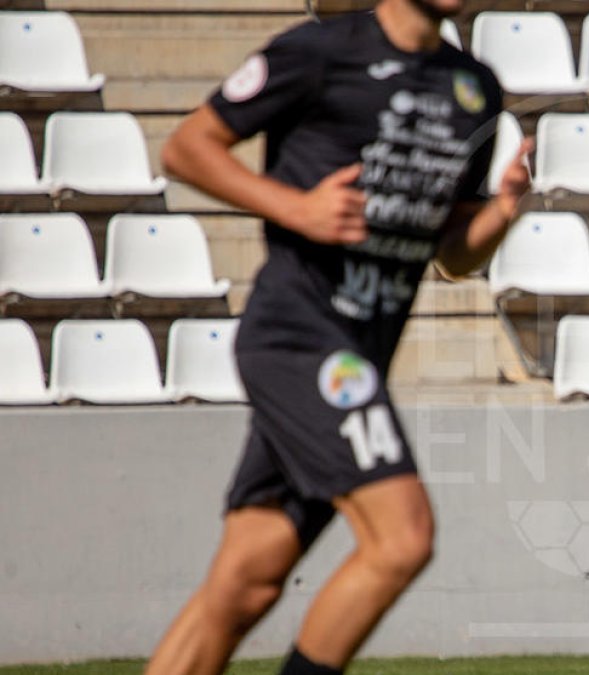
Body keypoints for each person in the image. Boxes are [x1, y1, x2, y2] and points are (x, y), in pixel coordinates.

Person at [145, 0, 532, 673]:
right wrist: (295, 207)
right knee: (402, 537)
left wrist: (500, 211)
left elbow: (452, 254)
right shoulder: (321, 51)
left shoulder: (474, 89)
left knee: (247, 578)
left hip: (360, 350)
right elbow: (187, 147)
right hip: (298, 334)